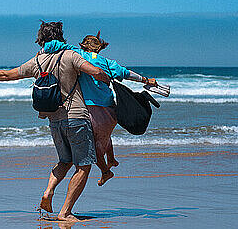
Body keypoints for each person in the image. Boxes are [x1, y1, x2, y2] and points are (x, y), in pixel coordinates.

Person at [0, 21, 110, 222]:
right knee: (84, 166)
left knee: (65, 160)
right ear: (61, 36)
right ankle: (65, 212)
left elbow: (6, 75)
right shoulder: (71, 56)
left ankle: (48, 191)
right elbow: (95, 71)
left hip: (54, 120)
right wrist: (106, 77)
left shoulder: (37, 61)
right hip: (76, 118)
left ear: (41, 39)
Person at [42, 32, 157, 185]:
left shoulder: (77, 54)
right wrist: (146, 79)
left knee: (93, 146)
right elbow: (126, 73)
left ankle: (106, 172)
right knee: (103, 136)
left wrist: (42, 52)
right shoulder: (108, 62)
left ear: (83, 45)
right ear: (99, 48)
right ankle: (111, 159)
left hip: (87, 111)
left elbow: (54, 45)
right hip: (109, 111)